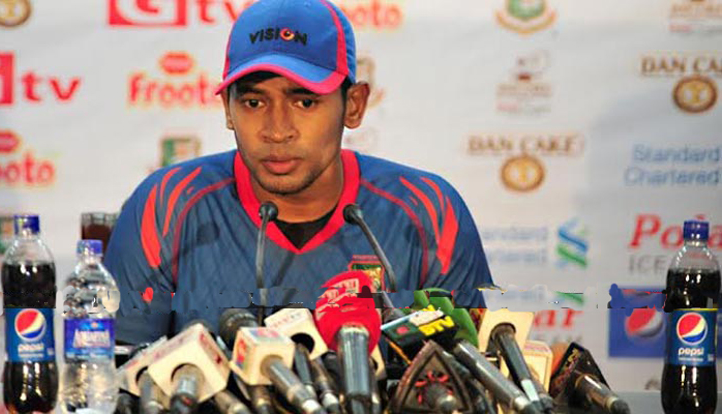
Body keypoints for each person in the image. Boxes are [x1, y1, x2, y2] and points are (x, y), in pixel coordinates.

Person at [104, 0, 493, 345]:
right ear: (227, 108)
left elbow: (467, 376)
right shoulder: (167, 204)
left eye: (305, 101)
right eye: (254, 102)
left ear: (353, 105)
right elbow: (113, 376)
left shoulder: (429, 210)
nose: (277, 130)